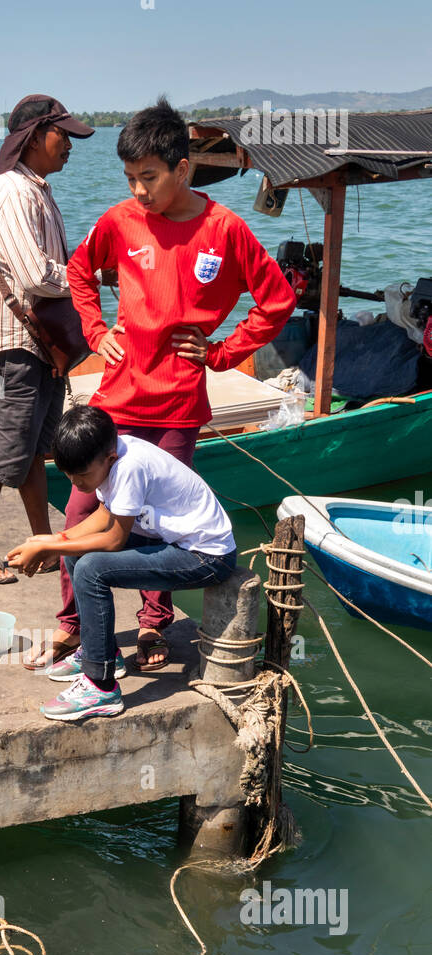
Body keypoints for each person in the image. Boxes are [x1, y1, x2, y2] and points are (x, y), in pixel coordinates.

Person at [59, 97, 294, 671]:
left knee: (163, 524)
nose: (138, 190)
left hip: (178, 405)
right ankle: (73, 625)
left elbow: (278, 300)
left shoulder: (226, 229)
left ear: (181, 169)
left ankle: (153, 626)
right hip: (117, 397)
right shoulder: (119, 221)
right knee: (78, 514)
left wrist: (221, 353)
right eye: (130, 178)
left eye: (149, 177)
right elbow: (78, 271)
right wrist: (95, 331)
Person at [6, 405, 237, 722]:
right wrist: (57, 542)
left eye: (82, 475)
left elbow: (113, 539)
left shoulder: (129, 466)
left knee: (90, 569)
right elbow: (104, 514)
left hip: (206, 556)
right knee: (77, 553)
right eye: (68, 475)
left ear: (109, 459)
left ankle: (100, 687)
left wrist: (48, 543)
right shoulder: (112, 453)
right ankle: (101, 652)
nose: (76, 482)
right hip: (173, 540)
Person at [0, 94, 95, 594]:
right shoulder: (11, 192)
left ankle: (43, 537)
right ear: (36, 136)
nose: (69, 147)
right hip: (16, 343)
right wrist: (89, 275)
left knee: (34, 449)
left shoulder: (37, 191)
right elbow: (35, 275)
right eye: (63, 136)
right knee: (2, 449)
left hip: (37, 344)